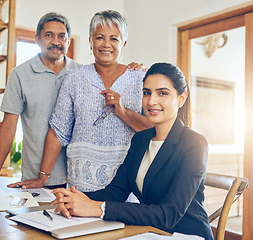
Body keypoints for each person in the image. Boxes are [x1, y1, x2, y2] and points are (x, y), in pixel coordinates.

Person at [0, 12, 142, 190]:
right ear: (37, 39)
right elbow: (9, 126)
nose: (56, 41)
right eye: (49, 35)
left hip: (75, 178)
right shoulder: (21, 75)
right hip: (36, 175)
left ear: (69, 40)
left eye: (62, 36)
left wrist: (134, 70)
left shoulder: (81, 73)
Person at [51, 63, 214, 240]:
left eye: (162, 93)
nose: (151, 101)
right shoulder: (140, 139)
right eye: (147, 93)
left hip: (186, 234)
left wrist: (98, 208)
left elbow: (168, 214)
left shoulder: (194, 143)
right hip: (149, 232)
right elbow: (115, 192)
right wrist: (74, 198)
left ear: (181, 98)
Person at [9, 10, 153, 191]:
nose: (106, 44)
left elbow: (154, 129)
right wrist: (42, 177)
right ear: (90, 42)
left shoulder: (141, 79)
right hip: (81, 186)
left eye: (114, 39)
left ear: (123, 44)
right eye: (100, 37)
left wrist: (123, 112)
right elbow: (58, 133)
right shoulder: (74, 78)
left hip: (127, 185)